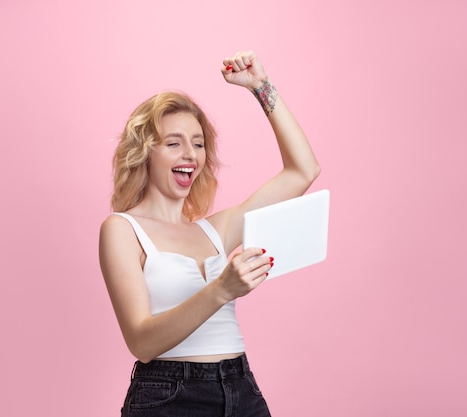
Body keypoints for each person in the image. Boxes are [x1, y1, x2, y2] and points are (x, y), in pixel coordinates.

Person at [99, 50, 320, 417]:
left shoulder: (216, 230)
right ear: (145, 153)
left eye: (198, 143)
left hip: (240, 387)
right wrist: (221, 289)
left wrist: (260, 87)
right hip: (168, 396)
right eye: (174, 143)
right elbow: (142, 342)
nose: (191, 154)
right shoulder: (122, 230)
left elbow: (304, 170)